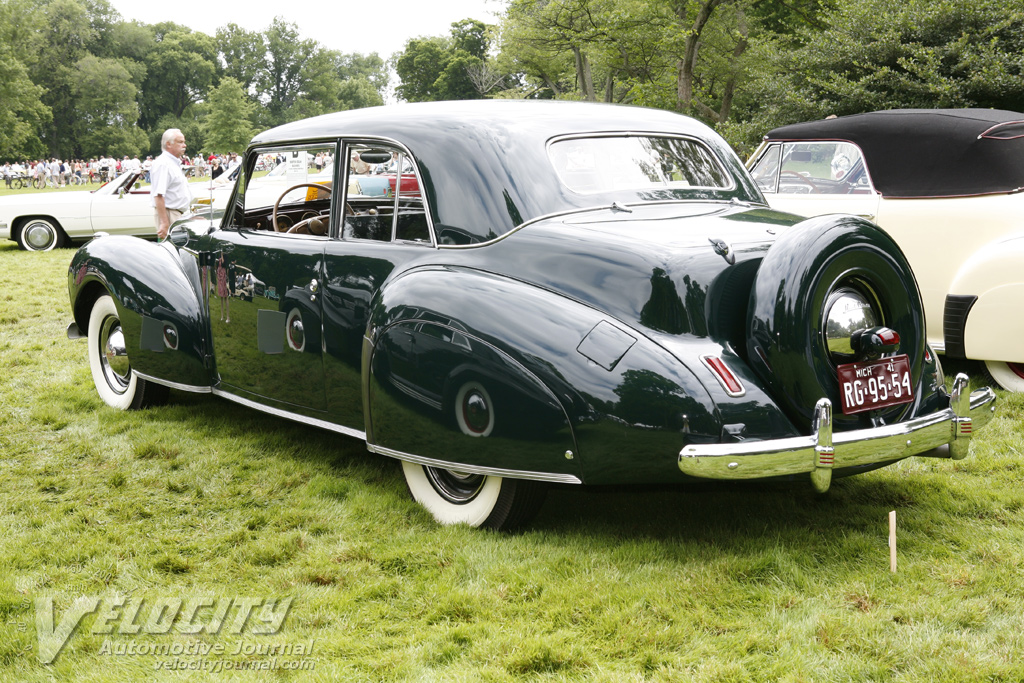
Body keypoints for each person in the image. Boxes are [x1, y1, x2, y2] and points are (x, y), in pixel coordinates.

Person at [150, 128, 191, 241]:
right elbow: (158, 195)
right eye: (180, 142)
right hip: (169, 213)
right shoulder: (163, 164)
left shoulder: (173, 163)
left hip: (176, 213)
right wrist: (164, 222)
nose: (184, 145)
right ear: (168, 144)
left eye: (184, 142)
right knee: (172, 250)